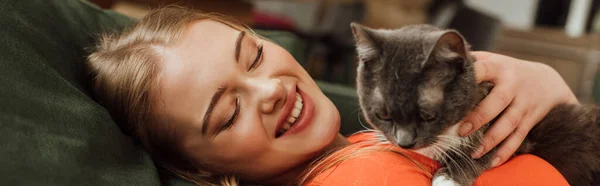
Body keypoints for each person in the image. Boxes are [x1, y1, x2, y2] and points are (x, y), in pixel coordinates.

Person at [86, 6, 576, 186]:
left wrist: (552, 92)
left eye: (253, 56)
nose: (271, 90)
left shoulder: (364, 145)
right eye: (229, 112)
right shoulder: (358, 177)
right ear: (201, 170)